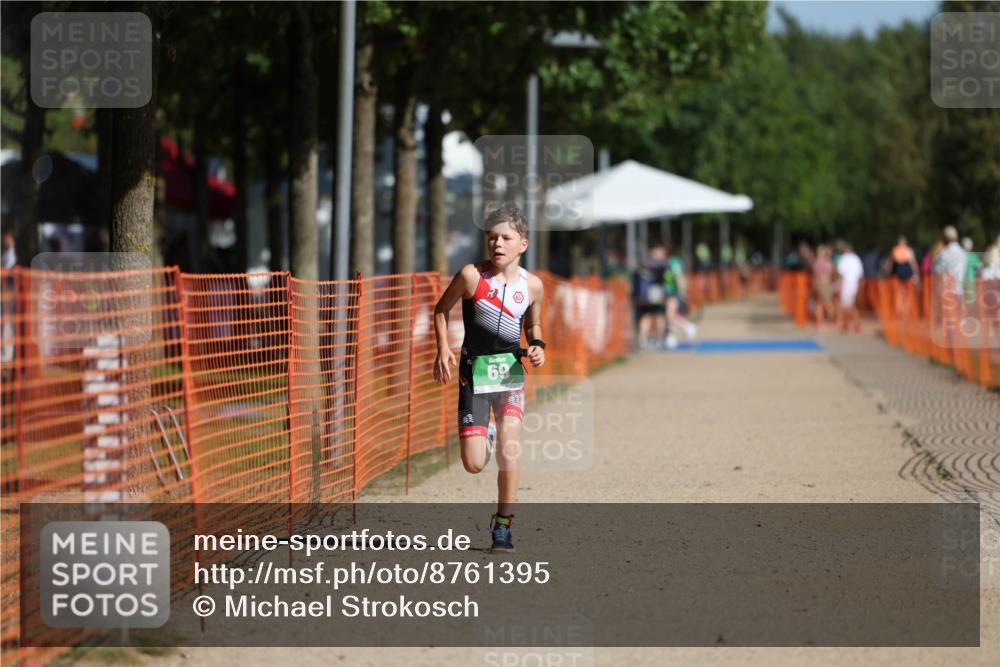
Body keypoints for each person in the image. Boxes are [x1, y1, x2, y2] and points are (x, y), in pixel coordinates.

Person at [433, 203, 545, 553]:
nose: (497, 244)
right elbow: (440, 309)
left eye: (506, 238)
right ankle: (488, 433)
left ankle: (503, 526)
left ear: (522, 244)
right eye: (491, 238)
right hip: (475, 374)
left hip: (510, 373)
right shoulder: (471, 276)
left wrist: (538, 344)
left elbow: (533, 323)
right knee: (473, 463)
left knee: (510, 453)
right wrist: (443, 349)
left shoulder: (534, 286)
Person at [836, 241, 864, 333]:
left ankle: (850, 325)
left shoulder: (844, 258)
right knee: (849, 305)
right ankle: (851, 325)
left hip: (846, 285)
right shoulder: (856, 259)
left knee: (847, 306)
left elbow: (840, 274)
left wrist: (838, 286)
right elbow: (860, 274)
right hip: (854, 285)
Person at [812, 244, 835, 329]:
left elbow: (814, 275)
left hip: (817, 283)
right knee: (828, 303)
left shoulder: (816, 263)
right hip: (825, 283)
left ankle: (819, 323)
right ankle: (831, 320)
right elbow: (830, 274)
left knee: (819, 304)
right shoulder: (827, 262)